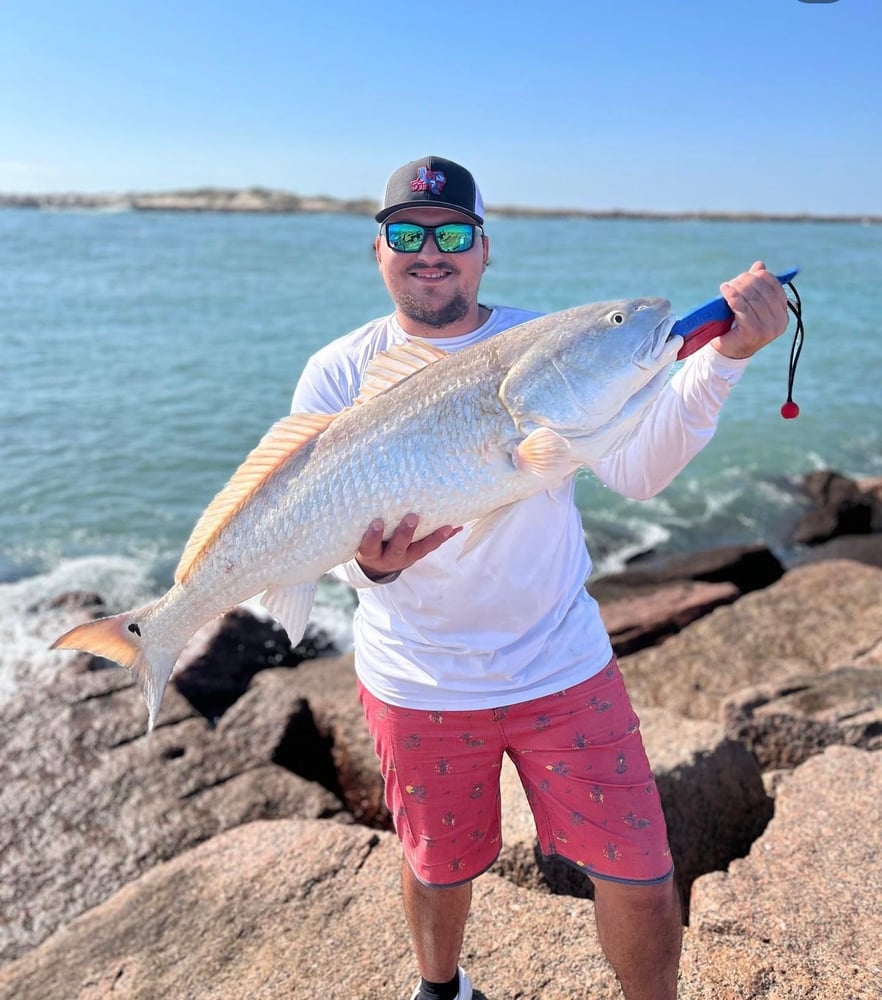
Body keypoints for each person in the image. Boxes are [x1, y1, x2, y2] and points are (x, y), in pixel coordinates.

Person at [290, 156, 789, 1000]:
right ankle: (441, 989)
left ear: (484, 248)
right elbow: (308, 520)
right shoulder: (338, 371)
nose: (430, 252)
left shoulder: (554, 342)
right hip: (418, 677)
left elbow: (637, 468)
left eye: (452, 234)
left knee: (638, 867)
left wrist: (725, 360)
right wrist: (362, 571)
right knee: (438, 865)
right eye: (407, 234)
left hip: (561, 662)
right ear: (378, 250)